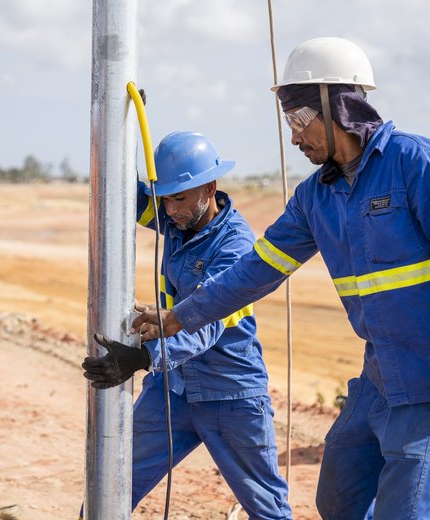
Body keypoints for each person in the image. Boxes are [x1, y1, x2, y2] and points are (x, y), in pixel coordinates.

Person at [132, 37, 430, 519]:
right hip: (378, 378)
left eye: (298, 121)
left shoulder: (414, 162)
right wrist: (177, 318)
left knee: (407, 510)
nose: (293, 137)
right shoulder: (317, 196)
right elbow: (256, 271)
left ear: (340, 105)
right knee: (338, 497)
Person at [82, 131, 292, 519]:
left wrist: (144, 356)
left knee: (267, 510)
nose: (170, 209)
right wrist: (120, 125)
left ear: (209, 188)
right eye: (166, 198)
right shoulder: (177, 221)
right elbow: (128, 190)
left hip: (231, 394)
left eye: (179, 198)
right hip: (173, 390)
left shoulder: (235, 246)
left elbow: (205, 323)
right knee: (109, 487)